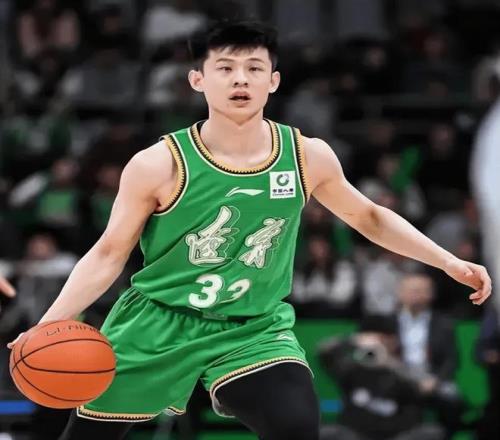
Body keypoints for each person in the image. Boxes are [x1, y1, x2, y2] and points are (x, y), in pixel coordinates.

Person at [7, 20, 491, 440]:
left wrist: (447, 260)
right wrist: (47, 323)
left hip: (252, 327)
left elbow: (369, 217)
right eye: (225, 68)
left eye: (254, 68)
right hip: (158, 321)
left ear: (273, 81)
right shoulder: (157, 164)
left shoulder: (306, 155)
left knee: (295, 426)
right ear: (198, 79)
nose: (241, 78)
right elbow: (108, 254)